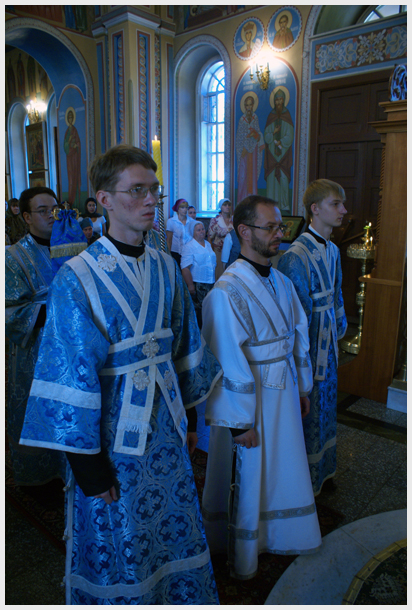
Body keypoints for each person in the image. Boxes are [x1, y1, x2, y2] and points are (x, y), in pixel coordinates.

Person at [20, 144, 222, 605]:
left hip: (167, 427)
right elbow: (69, 376)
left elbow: (184, 346)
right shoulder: (77, 277)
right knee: (121, 531)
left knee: (171, 525)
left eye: (154, 190)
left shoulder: (166, 266)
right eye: (137, 190)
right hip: (112, 440)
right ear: (104, 200)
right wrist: (89, 469)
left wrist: (191, 420)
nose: (151, 200)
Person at [201, 194, 322, 580]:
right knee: (250, 471)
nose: (279, 234)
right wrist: (239, 424)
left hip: (283, 392)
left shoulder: (282, 281)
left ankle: (277, 534)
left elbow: (298, 336)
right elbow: (224, 360)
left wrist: (302, 388)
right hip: (249, 404)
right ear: (243, 231)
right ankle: (244, 550)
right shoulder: (226, 291)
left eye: (280, 227)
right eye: (270, 227)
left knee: (281, 465)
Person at [277, 179, 348, 495]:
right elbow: (295, 315)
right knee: (309, 409)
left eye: (342, 204)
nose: (343, 210)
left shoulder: (333, 250)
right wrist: (300, 358)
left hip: (328, 344)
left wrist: (338, 331)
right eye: (336, 204)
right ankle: (304, 480)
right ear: (315, 209)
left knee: (327, 407)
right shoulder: (296, 255)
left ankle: (324, 470)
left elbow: (337, 293)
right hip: (308, 351)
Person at [5, 186, 64, 490]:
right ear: (26, 217)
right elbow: (9, 312)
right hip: (35, 352)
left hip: (71, 350)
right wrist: (60, 308)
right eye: (43, 211)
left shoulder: (73, 249)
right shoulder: (12, 257)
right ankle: (39, 475)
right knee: (37, 410)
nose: (52, 216)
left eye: (55, 209)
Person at [181, 221, 216, 328]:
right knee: (200, 311)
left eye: (203, 229)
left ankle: (208, 331)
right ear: (193, 232)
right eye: (198, 230)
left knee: (209, 309)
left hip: (210, 282)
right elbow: (185, 268)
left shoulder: (208, 244)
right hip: (198, 284)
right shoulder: (189, 247)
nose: (202, 232)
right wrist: (190, 285)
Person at [264, 88, 294, 212]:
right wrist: (273, 133)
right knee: (272, 180)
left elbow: (290, 136)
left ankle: (284, 205)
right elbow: (266, 136)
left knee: (283, 179)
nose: (278, 102)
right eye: (277, 100)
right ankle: (271, 206)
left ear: (284, 100)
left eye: (281, 99)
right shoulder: (271, 116)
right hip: (272, 154)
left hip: (283, 155)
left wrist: (281, 141)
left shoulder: (287, 116)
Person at [236, 95, 264, 203]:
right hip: (244, 152)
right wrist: (243, 147)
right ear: (244, 106)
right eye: (247, 105)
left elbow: (258, 132)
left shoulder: (255, 118)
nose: (249, 107)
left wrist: (256, 135)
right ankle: (243, 199)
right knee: (243, 175)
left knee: (252, 174)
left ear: (253, 106)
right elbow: (239, 136)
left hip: (253, 153)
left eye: (250, 105)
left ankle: (252, 199)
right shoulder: (242, 120)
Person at [207, 198, 233, 279]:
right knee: (220, 273)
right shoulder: (215, 220)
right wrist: (211, 253)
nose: (227, 207)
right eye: (225, 205)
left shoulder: (233, 219)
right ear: (221, 207)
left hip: (232, 251)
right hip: (219, 251)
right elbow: (210, 238)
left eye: (229, 205)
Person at [166, 198, 196, 266]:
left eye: (186, 208)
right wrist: (168, 254)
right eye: (182, 208)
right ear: (178, 209)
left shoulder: (192, 221)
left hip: (189, 252)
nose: (185, 210)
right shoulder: (171, 221)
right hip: (175, 252)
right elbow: (169, 240)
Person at [64, 109, 81, 207]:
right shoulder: (67, 131)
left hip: (75, 157)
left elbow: (78, 142)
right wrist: (69, 142)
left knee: (74, 177)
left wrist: (76, 145)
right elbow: (65, 145)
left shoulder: (74, 130)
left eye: (71, 118)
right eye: (69, 118)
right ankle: (70, 199)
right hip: (69, 158)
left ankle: (75, 198)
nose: (70, 119)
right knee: (70, 178)